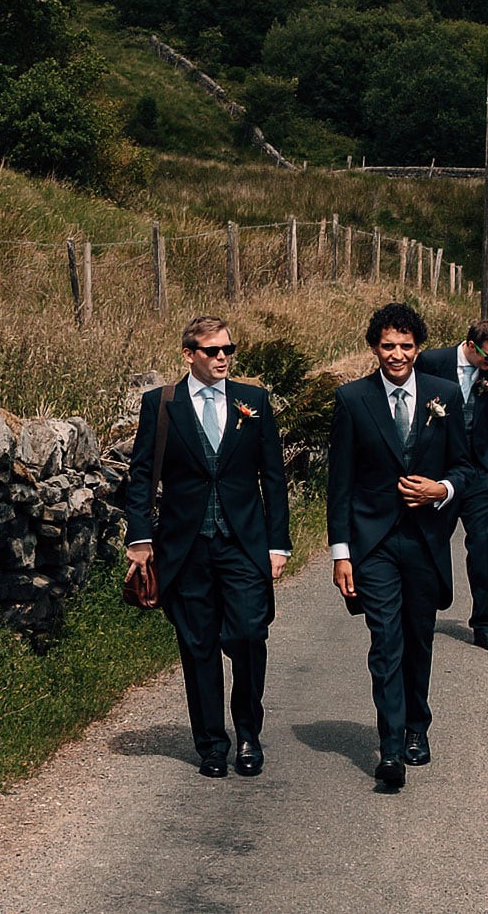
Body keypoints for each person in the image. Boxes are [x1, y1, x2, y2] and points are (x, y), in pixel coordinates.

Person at [124, 316, 290, 779]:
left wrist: (279, 544)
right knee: (197, 645)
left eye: (228, 350)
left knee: (249, 636)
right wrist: (140, 538)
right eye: (213, 350)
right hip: (186, 548)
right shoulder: (161, 405)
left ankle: (249, 735)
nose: (223, 358)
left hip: (244, 544)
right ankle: (212, 745)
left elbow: (273, 477)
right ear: (188, 354)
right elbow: (140, 476)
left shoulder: (253, 401)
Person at [328, 303, 473, 791]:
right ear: (374, 348)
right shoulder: (352, 399)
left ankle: (417, 725)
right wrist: (341, 552)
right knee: (385, 641)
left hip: (426, 540)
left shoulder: (446, 396)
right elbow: (340, 484)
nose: (396, 354)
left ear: (418, 349)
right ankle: (390, 748)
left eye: (406, 346)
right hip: (374, 544)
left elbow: (466, 468)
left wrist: (441, 490)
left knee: (418, 637)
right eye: (387, 346)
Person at [414, 320, 488, 652]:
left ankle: (484, 624)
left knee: (483, 549)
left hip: (479, 472)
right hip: (440, 472)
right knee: (432, 545)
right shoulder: (431, 362)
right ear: (471, 345)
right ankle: (424, 613)